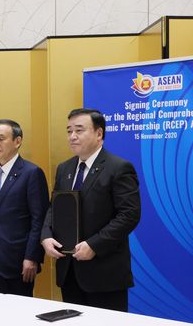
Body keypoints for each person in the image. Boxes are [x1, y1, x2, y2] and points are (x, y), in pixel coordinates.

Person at [41, 108, 141, 312]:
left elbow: (129, 215)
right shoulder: (64, 168)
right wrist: (45, 236)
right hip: (69, 271)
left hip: (104, 273)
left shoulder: (119, 167)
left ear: (99, 134)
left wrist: (94, 245)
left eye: (79, 130)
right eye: (69, 131)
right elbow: (54, 207)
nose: (72, 136)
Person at [0, 119, 49, 297]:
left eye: (1, 139)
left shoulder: (31, 173)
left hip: (17, 260)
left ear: (17, 141)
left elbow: (39, 220)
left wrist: (32, 257)